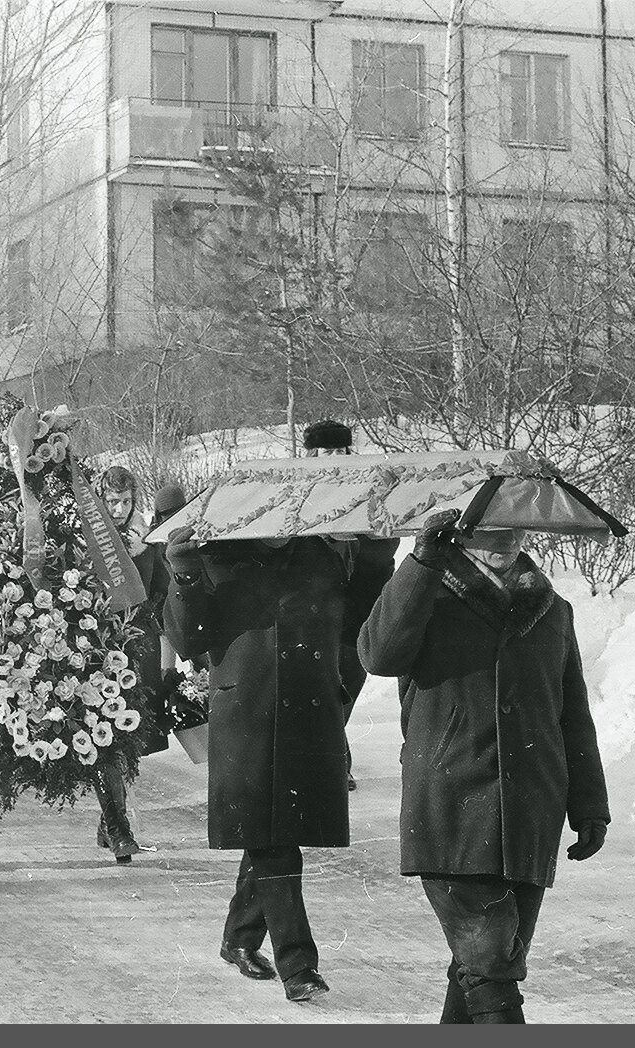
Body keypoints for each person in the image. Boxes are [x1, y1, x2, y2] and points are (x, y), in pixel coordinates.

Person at [358, 511, 610, 1024]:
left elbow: (571, 713)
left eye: (515, 530)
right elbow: (377, 655)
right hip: (451, 805)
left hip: (530, 810)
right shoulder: (428, 596)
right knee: (492, 964)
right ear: (461, 536)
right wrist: (420, 563)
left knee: (483, 963)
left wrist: (589, 806)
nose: (505, 542)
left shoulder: (553, 610)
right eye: (490, 531)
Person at [165, 524, 355, 1003]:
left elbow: (359, 624)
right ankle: (299, 964)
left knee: (273, 832)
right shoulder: (214, 556)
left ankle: (239, 938)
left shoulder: (323, 554)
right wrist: (185, 572)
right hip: (246, 713)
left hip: (308, 711)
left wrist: (377, 551)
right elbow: (187, 641)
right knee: (275, 842)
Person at [303, 418, 398, 792]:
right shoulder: (297, 493)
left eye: (341, 452)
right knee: (321, 689)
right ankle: (333, 759)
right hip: (311, 610)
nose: (335, 459)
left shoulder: (367, 491)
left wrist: (377, 538)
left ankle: (333, 752)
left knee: (348, 683)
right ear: (311, 456)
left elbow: (380, 552)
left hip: (357, 608)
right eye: (326, 452)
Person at [88, 465, 164, 863]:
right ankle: (119, 828)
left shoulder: (145, 540)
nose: (118, 510)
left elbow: (163, 593)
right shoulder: (88, 539)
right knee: (106, 738)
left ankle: (109, 821)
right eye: (111, 501)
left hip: (139, 646)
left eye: (125, 501)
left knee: (130, 740)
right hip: (99, 648)